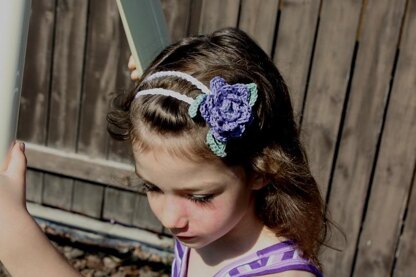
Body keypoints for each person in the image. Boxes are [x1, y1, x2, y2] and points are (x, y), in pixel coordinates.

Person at [0, 28, 327, 276]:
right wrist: (163, 84)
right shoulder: (210, 230)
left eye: (199, 197)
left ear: (260, 169)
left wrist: (12, 231)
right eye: (152, 187)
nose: (171, 219)